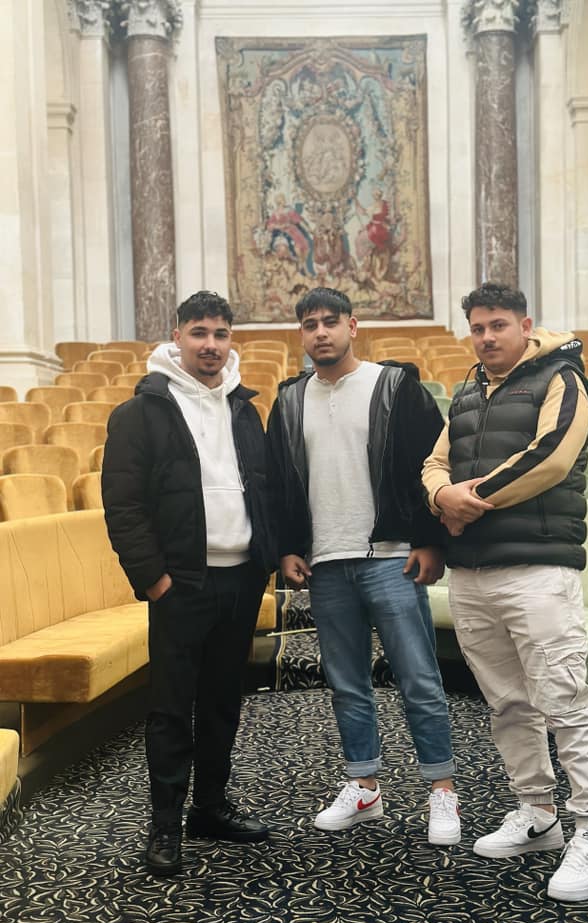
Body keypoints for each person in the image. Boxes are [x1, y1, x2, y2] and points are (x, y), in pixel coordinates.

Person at [422, 282, 588, 902]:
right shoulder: (467, 392)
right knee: (507, 704)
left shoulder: (563, 378)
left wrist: (468, 499)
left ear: (525, 325)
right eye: (477, 328)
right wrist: (440, 495)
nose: (486, 337)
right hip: (473, 574)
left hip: (538, 570)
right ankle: (537, 813)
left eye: (498, 325)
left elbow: (552, 458)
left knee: (565, 700)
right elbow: (435, 462)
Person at [266, 286, 460, 846]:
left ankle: (441, 790)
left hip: (391, 558)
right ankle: (364, 786)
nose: (321, 332)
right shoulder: (289, 400)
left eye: (330, 322)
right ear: (301, 334)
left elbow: (431, 464)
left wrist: (430, 542)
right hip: (326, 563)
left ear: (353, 326)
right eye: (310, 325)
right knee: (347, 684)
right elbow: (277, 483)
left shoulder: (394, 386)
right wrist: (287, 548)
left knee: (418, 678)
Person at [102, 290, 276, 877]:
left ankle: (210, 808)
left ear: (231, 341)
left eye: (220, 334)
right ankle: (165, 825)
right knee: (171, 709)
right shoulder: (140, 412)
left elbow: (263, 487)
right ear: (176, 336)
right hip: (181, 585)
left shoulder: (244, 409)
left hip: (241, 579)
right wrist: (155, 582)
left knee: (223, 701)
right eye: (199, 332)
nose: (210, 345)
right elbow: (124, 507)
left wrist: (266, 557)